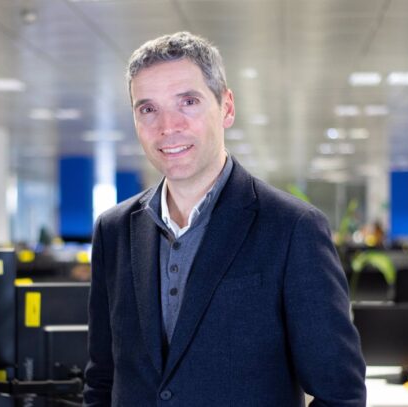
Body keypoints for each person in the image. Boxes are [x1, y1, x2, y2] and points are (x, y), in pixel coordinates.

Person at [84, 32, 366, 406]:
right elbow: (102, 379)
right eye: (148, 109)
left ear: (227, 108)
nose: (167, 127)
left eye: (188, 102)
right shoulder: (114, 231)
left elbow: (340, 394)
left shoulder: (292, 228)